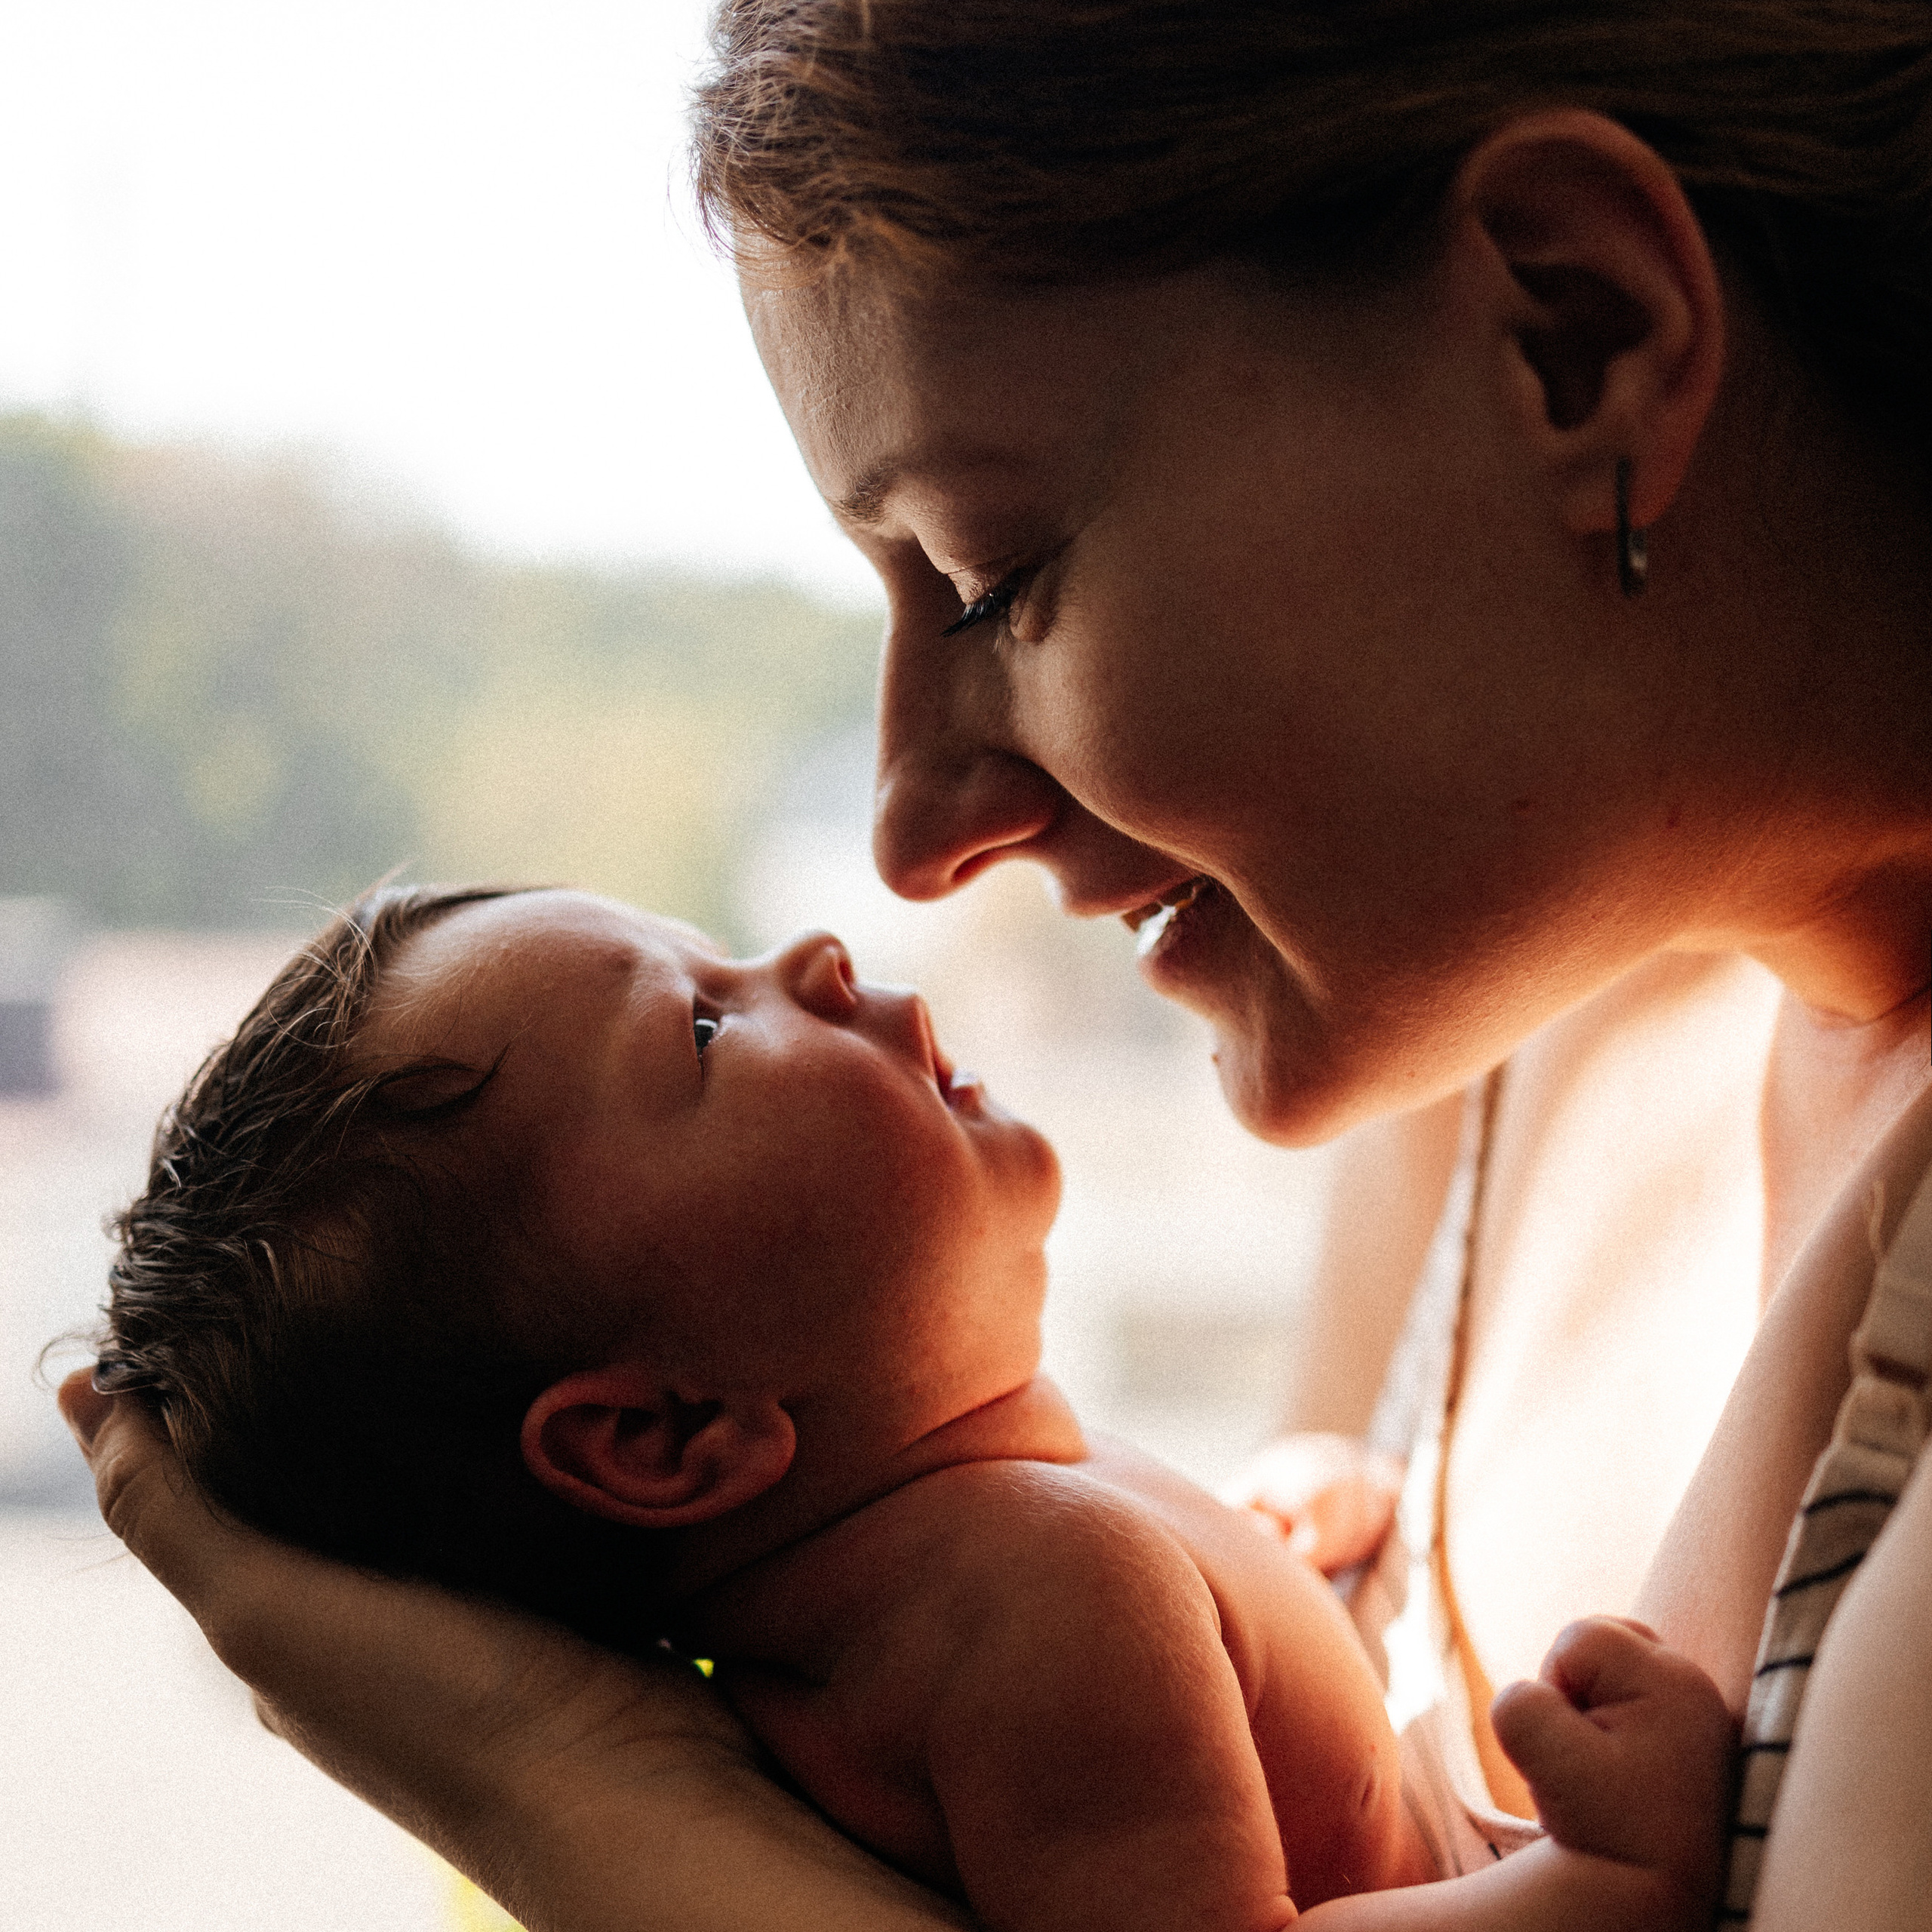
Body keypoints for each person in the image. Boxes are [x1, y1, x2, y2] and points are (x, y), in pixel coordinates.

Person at [61, 2, 1932, 1927]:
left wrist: (569, 1790)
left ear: (1575, 335)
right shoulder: (1488, 1020)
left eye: (989, 576)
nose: (907, 832)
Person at [91, 878, 1732, 1930]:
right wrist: (1590, 1885)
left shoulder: (938, 1564)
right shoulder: (1035, 1600)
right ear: (666, 1433)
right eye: (708, 1025)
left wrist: (1263, 1559)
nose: (810, 950)